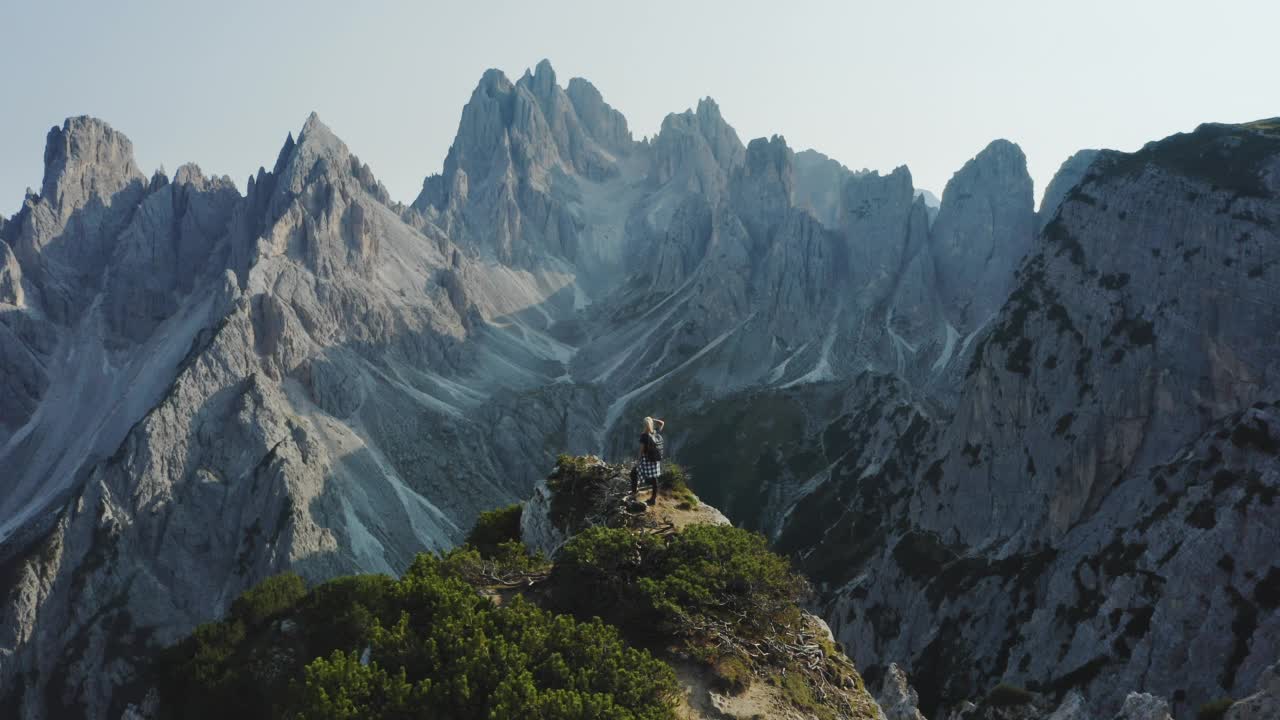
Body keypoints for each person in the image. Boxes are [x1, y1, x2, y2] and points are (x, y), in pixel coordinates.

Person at [633, 416, 666, 505]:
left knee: (634, 473)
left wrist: (637, 461)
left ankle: (634, 494)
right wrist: (652, 420)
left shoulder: (644, 436)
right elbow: (662, 423)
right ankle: (653, 499)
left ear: (644, 425)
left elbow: (641, 451)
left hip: (647, 460)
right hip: (655, 459)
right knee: (654, 479)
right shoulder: (654, 432)